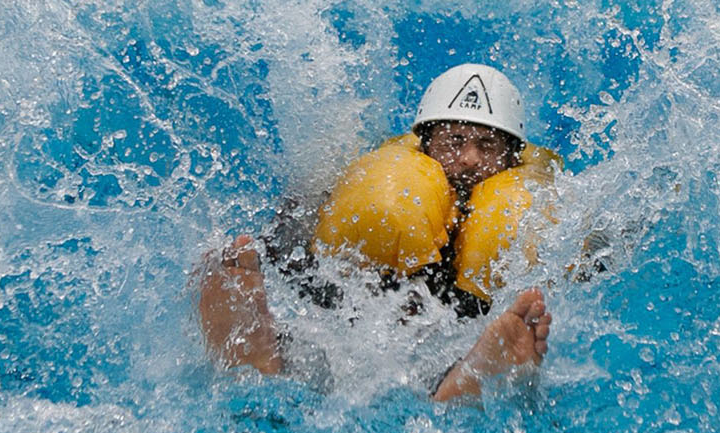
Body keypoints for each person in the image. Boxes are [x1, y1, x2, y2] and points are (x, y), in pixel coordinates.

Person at [199, 64, 557, 402]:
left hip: (465, 319)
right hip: (360, 305)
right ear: (425, 144)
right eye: (455, 140)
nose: (469, 159)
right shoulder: (381, 184)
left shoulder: (530, 209)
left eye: (487, 146)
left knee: (494, 325)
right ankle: (261, 349)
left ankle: (470, 378)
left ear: (512, 159)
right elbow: (298, 235)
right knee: (323, 308)